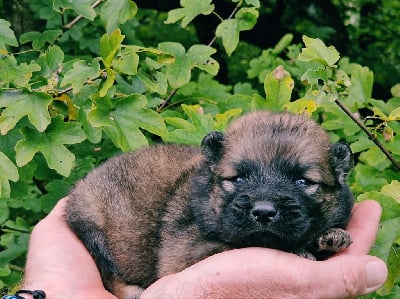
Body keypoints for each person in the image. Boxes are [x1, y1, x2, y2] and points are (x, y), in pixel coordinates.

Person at [20, 198, 387, 299]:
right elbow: (179, 259)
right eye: (239, 179)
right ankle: (118, 283)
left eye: (302, 181)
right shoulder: (199, 221)